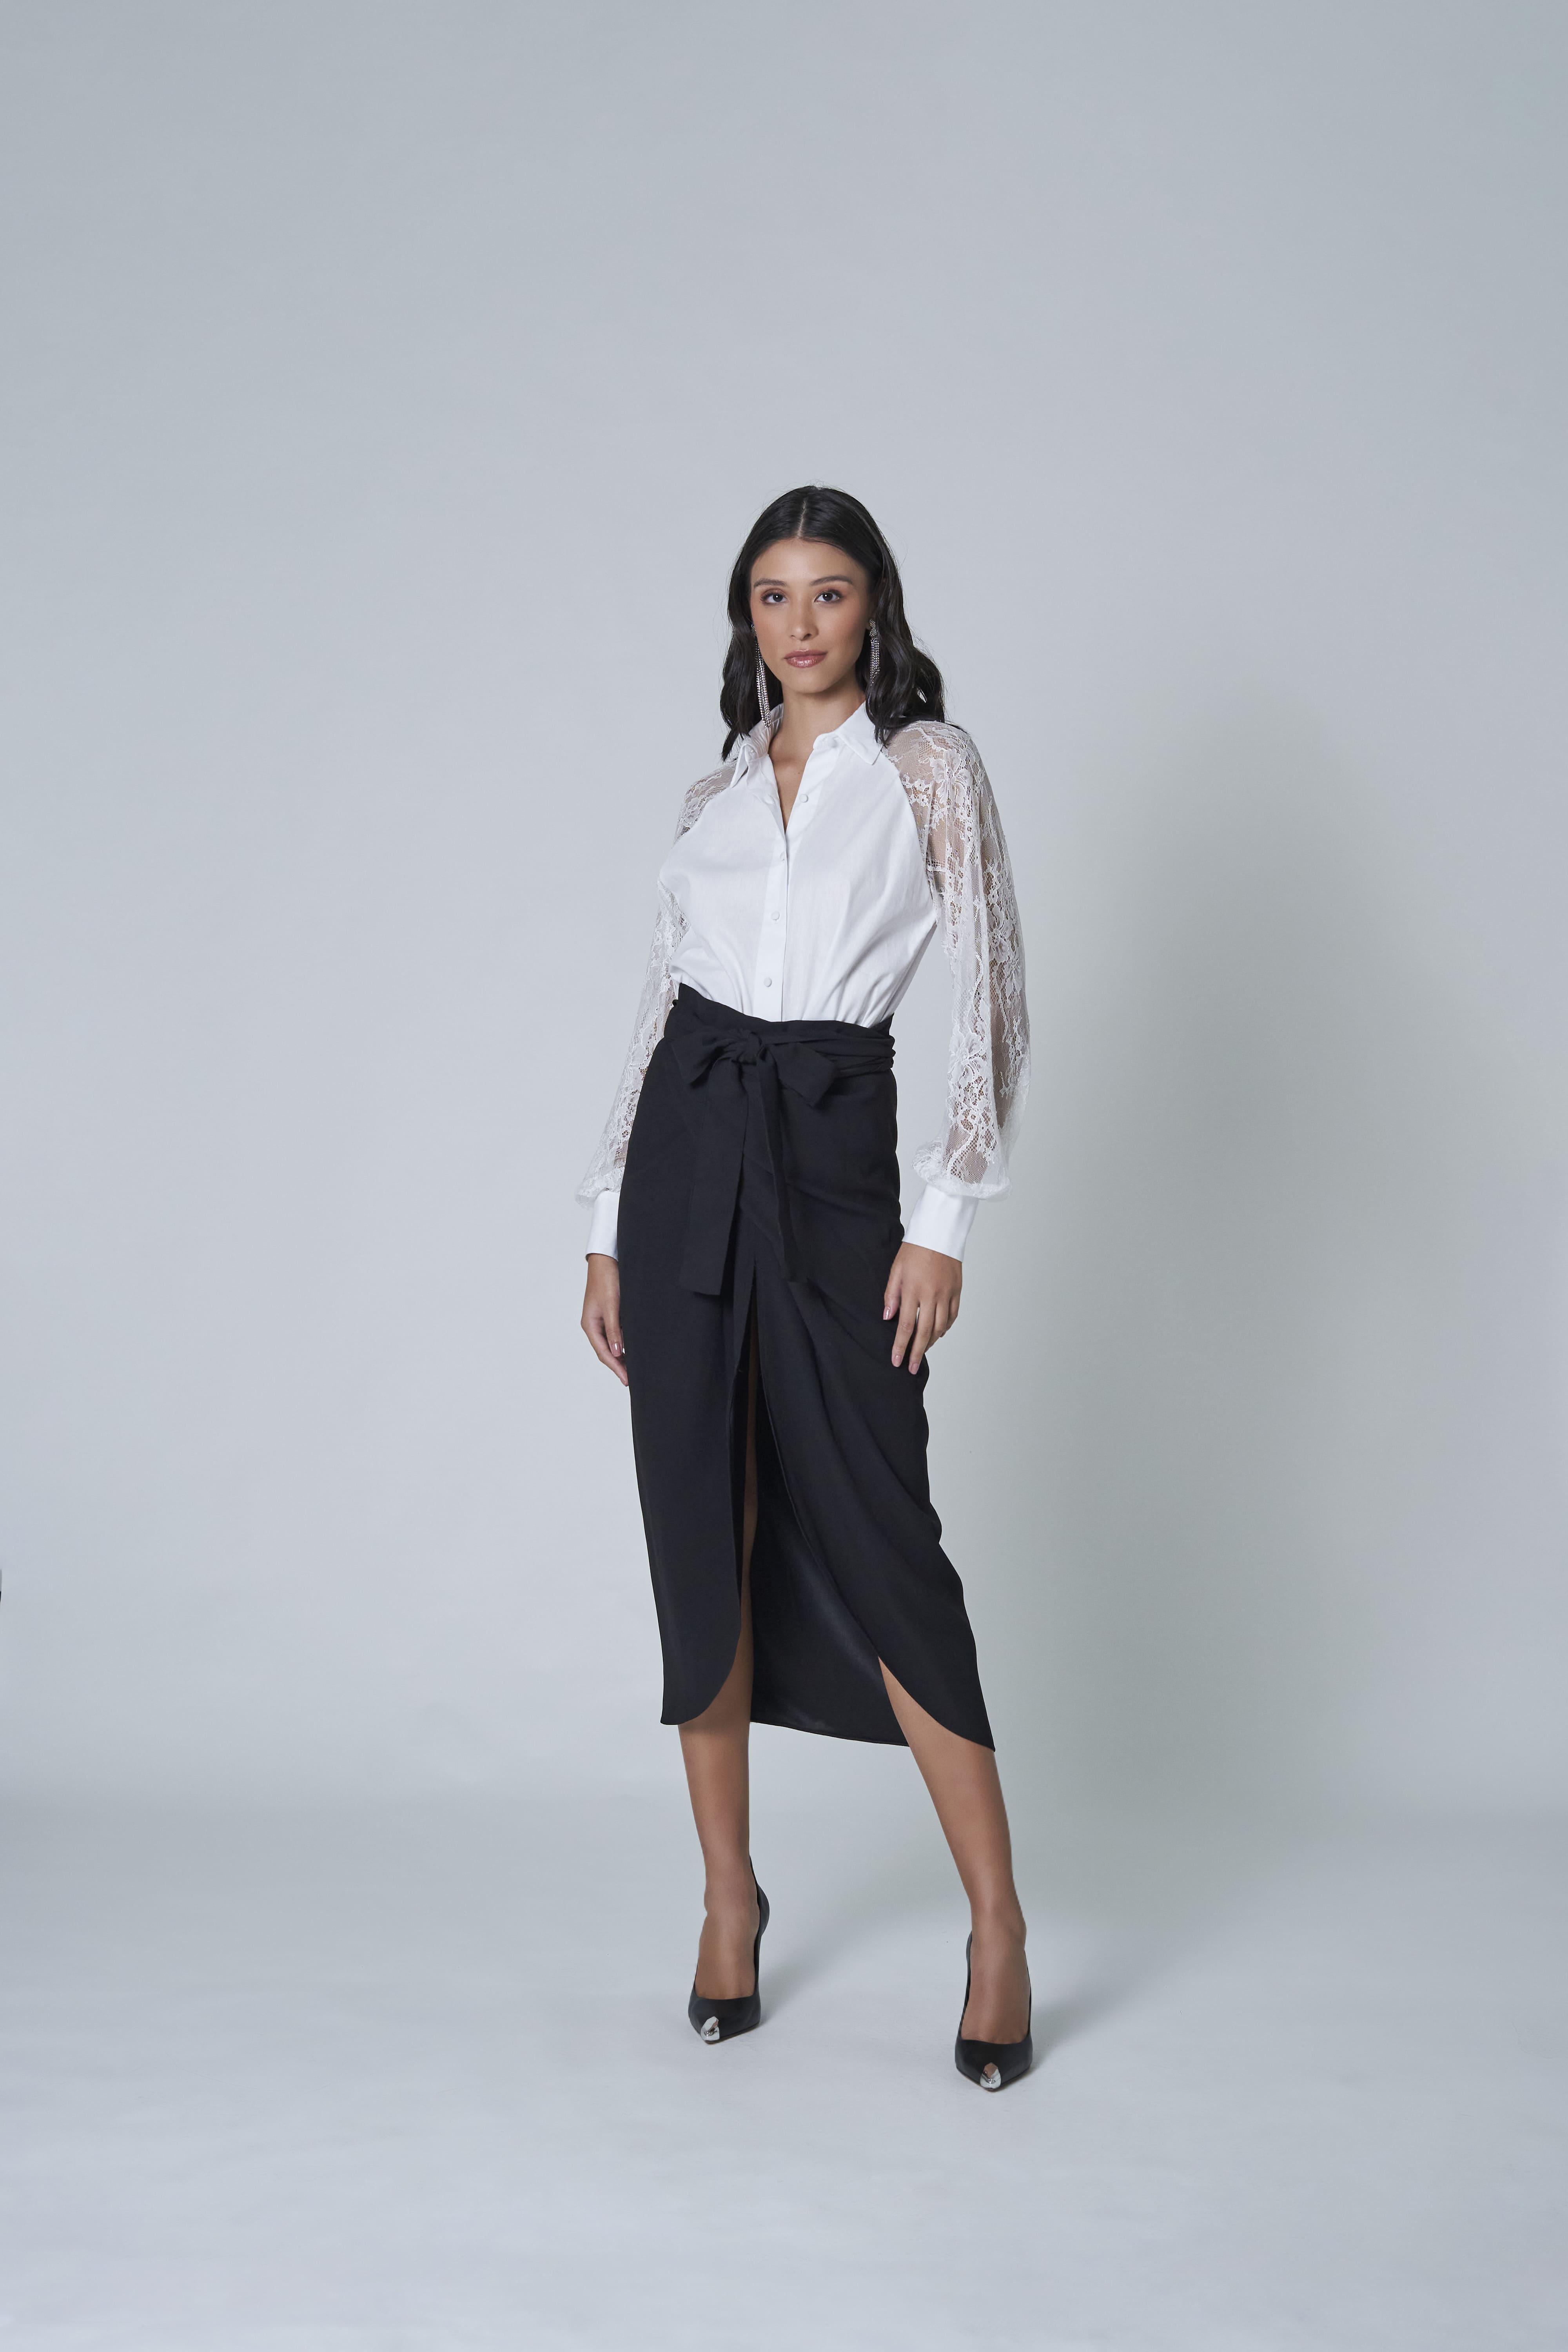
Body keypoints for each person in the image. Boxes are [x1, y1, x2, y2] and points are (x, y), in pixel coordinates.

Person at [577, 486, 1033, 2089]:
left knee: (881, 1528)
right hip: (685, 1168)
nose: (797, 624)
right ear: (745, 620)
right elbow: (656, 1014)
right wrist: (603, 1224)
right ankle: (726, 1900)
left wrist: (944, 1222)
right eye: (769, 595)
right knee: (699, 1518)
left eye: (826, 593)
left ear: (871, 610)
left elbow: (986, 997)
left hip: (841, 1170)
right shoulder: (711, 791)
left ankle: (996, 1925)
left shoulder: (923, 769)